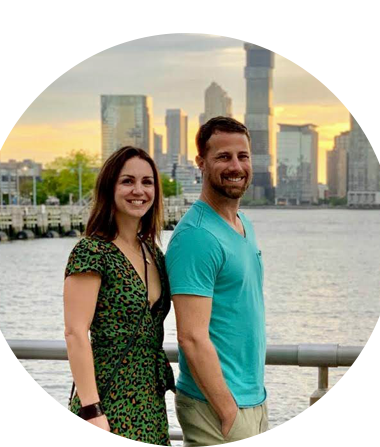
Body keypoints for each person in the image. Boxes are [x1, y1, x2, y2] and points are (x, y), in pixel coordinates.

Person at [166, 116, 268, 447]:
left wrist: (251, 404)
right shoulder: (196, 236)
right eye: (223, 156)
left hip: (250, 399)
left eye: (243, 156)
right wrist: (227, 411)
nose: (236, 166)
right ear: (201, 163)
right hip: (217, 406)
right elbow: (191, 337)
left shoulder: (243, 225)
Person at [63, 146, 174, 447]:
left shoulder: (154, 253)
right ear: (109, 187)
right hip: (106, 404)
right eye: (127, 181)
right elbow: (75, 333)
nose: (139, 190)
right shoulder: (92, 251)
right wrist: (91, 410)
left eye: (147, 182)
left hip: (149, 405)